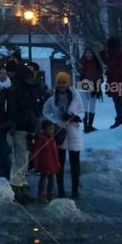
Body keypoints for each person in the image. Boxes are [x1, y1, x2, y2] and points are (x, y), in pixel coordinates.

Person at [42, 71, 85, 199]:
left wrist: (76, 117)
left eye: (64, 82)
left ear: (68, 83)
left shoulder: (76, 97)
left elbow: (82, 111)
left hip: (73, 131)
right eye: (59, 82)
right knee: (60, 161)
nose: (61, 85)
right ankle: (60, 189)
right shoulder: (51, 99)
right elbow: (45, 111)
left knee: (75, 161)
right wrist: (54, 122)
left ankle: (75, 189)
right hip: (59, 131)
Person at [5, 58, 37, 205]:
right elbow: (16, 111)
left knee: (23, 161)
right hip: (20, 129)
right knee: (20, 161)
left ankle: (21, 189)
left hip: (25, 129)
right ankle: (17, 191)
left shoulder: (21, 90)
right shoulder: (19, 92)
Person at [103, 37, 122, 129]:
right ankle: (119, 118)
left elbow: (120, 67)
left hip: (119, 80)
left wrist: (110, 69)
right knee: (116, 100)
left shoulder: (120, 53)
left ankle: (119, 119)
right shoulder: (113, 53)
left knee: (117, 100)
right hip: (115, 79)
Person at [30, 119, 61, 204]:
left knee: (51, 181)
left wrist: (57, 163)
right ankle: (41, 196)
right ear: (44, 129)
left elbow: (55, 153)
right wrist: (35, 165)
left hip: (52, 165)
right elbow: (36, 152)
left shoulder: (52, 139)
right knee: (43, 180)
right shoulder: (41, 139)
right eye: (50, 129)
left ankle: (49, 194)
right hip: (44, 165)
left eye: (53, 129)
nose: (52, 131)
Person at [77, 48, 104, 132]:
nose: (88, 54)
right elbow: (81, 72)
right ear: (84, 54)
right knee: (84, 105)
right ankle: (85, 126)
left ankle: (90, 125)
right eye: (86, 53)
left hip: (94, 85)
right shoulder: (81, 62)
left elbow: (99, 74)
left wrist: (97, 84)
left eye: (90, 53)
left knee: (92, 105)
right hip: (84, 85)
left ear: (93, 54)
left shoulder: (96, 63)